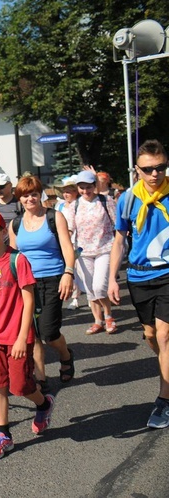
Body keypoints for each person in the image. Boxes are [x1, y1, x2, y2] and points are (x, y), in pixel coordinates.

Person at [0, 210, 55, 459]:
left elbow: (28, 301)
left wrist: (21, 337)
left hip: (17, 335)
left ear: (3, 231)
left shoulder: (18, 260)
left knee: (21, 386)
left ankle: (44, 404)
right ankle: (3, 435)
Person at [108, 139, 169, 429]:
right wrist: (112, 279)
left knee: (164, 334)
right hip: (138, 276)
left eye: (160, 168)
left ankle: (164, 402)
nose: (155, 174)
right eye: (148, 169)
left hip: (168, 273)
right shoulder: (128, 199)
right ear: (137, 170)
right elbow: (119, 240)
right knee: (150, 336)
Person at [9, 176, 76, 394]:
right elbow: (13, 256)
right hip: (26, 283)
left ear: (40, 195)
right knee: (32, 332)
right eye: (25, 195)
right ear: (19, 198)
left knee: (48, 331)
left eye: (33, 194)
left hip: (53, 279)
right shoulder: (15, 224)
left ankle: (65, 355)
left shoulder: (54, 217)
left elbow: (67, 247)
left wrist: (68, 272)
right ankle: (40, 377)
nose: (30, 198)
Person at [66, 170, 118, 334]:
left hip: (105, 248)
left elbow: (118, 224)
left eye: (88, 187)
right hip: (83, 251)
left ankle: (108, 316)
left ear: (95, 186)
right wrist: (68, 252)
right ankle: (98, 320)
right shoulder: (74, 206)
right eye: (81, 188)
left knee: (99, 286)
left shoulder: (105, 201)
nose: (85, 191)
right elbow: (68, 229)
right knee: (89, 289)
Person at [55, 176, 83, 310]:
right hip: (64, 241)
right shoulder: (59, 206)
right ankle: (75, 297)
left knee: (81, 270)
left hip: (78, 241)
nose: (66, 194)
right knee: (72, 270)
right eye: (64, 191)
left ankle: (87, 295)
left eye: (69, 191)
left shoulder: (79, 204)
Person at [0, 173, 23, 240]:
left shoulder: (20, 204)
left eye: (1, 187)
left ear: (10, 185)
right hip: (0, 247)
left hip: (18, 245)